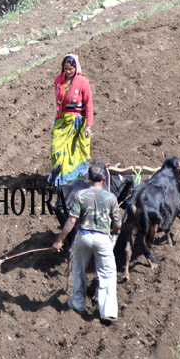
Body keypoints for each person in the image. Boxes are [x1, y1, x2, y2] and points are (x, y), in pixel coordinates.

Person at [52, 161, 121, 323]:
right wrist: (116, 231)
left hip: (83, 237)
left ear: (88, 178)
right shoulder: (111, 197)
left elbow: (71, 220)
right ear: (104, 178)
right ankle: (108, 311)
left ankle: (78, 303)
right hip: (103, 238)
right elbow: (117, 223)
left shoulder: (80, 196)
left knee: (79, 270)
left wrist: (59, 240)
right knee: (107, 273)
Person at [49, 54, 94, 186]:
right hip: (62, 121)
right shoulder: (58, 80)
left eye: (71, 69)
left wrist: (88, 126)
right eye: (65, 69)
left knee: (75, 152)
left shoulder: (83, 83)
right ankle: (59, 179)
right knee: (56, 150)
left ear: (76, 68)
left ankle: (72, 180)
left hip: (78, 123)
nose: (68, 72)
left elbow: (89, 106)